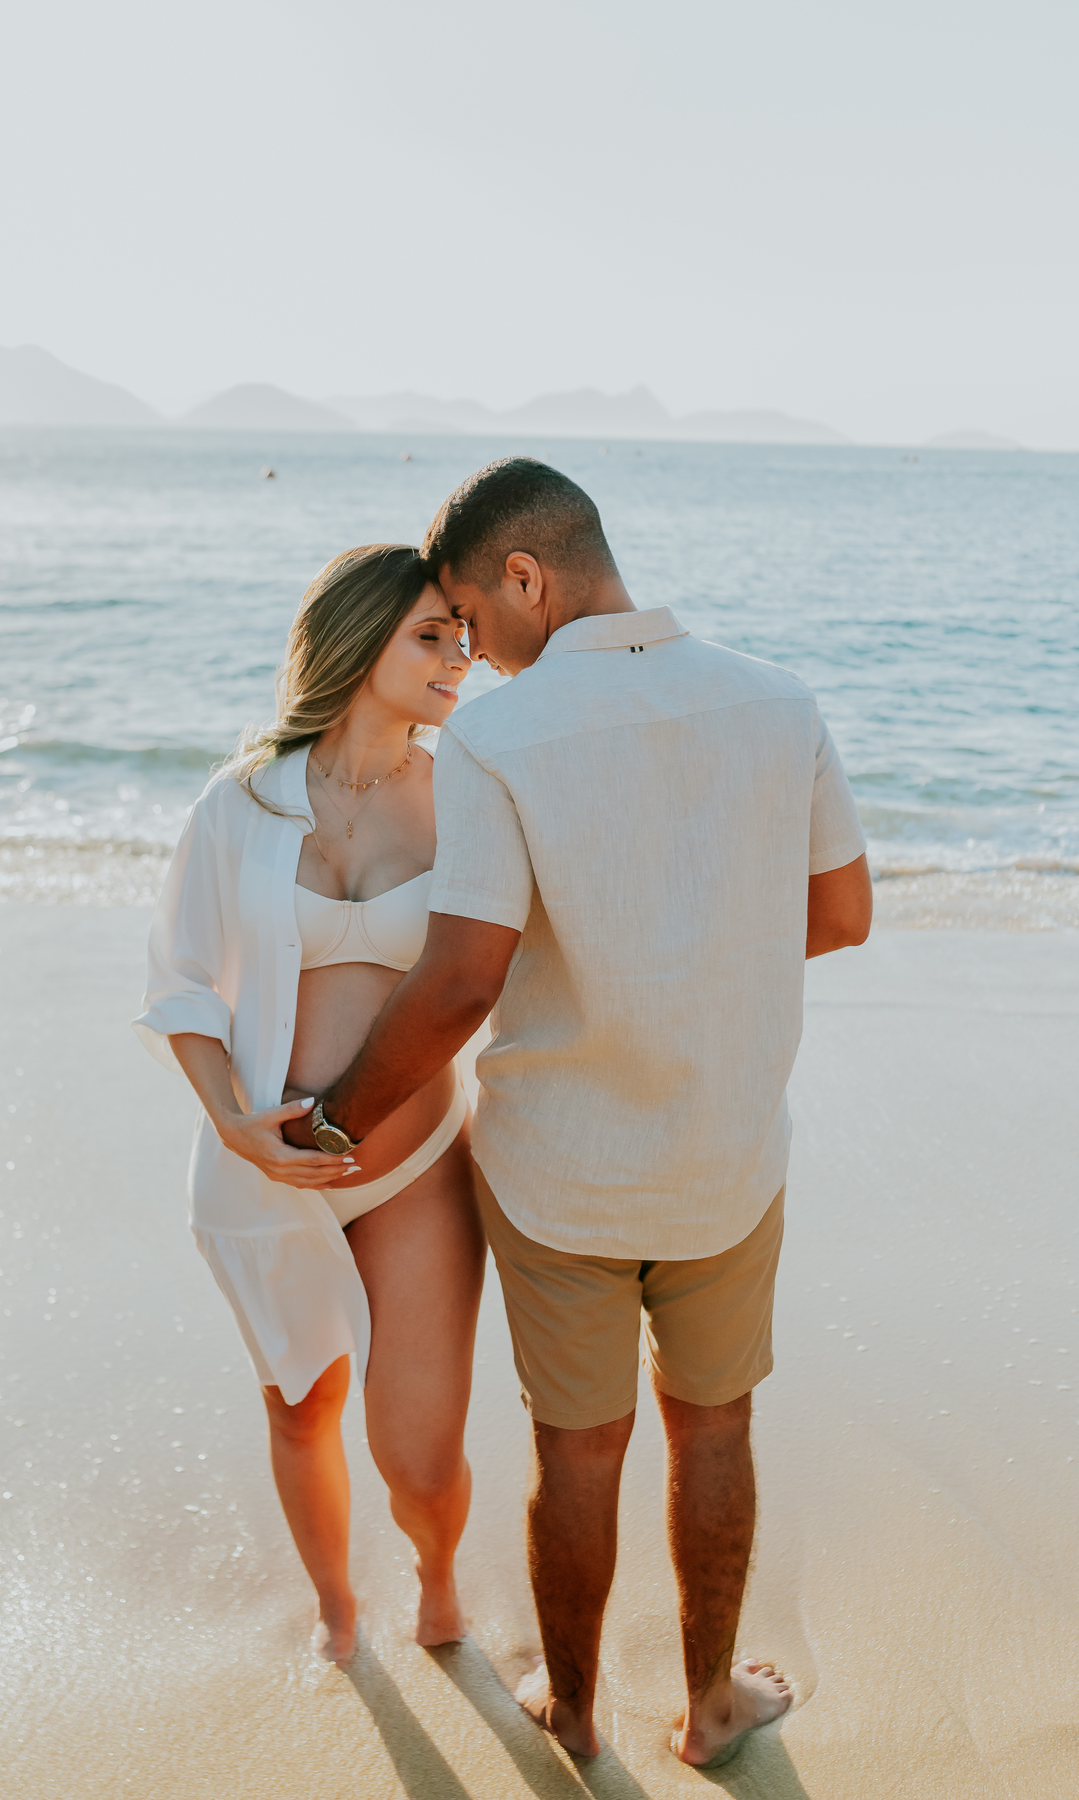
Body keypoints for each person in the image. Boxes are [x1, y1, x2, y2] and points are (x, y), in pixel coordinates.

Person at [283, 459, 872, 1767]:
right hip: (727, 1157)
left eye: (470, 616)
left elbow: (461, 979)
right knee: (716, 1424)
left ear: (526, 577)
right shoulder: (780, 702)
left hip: (560, 1177)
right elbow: (842, 914)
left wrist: (331, 1121)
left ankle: (576, 1711)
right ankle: (712, 1708)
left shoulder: (502, 739)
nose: (475, 653)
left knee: (580, 1444)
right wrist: (699, 955)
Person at [133, 544, 484, 1665]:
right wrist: (231, 1122)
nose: (458, 658)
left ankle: (437, 1577)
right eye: (430, 635)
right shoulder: (240, 801)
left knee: (418, 1456)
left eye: (464, 638)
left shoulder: (470, 797)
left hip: (417, 1168)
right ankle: (338, 1611)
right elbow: (182, 983)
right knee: (300, 1407)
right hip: (266, 1172)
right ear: (359, 639)